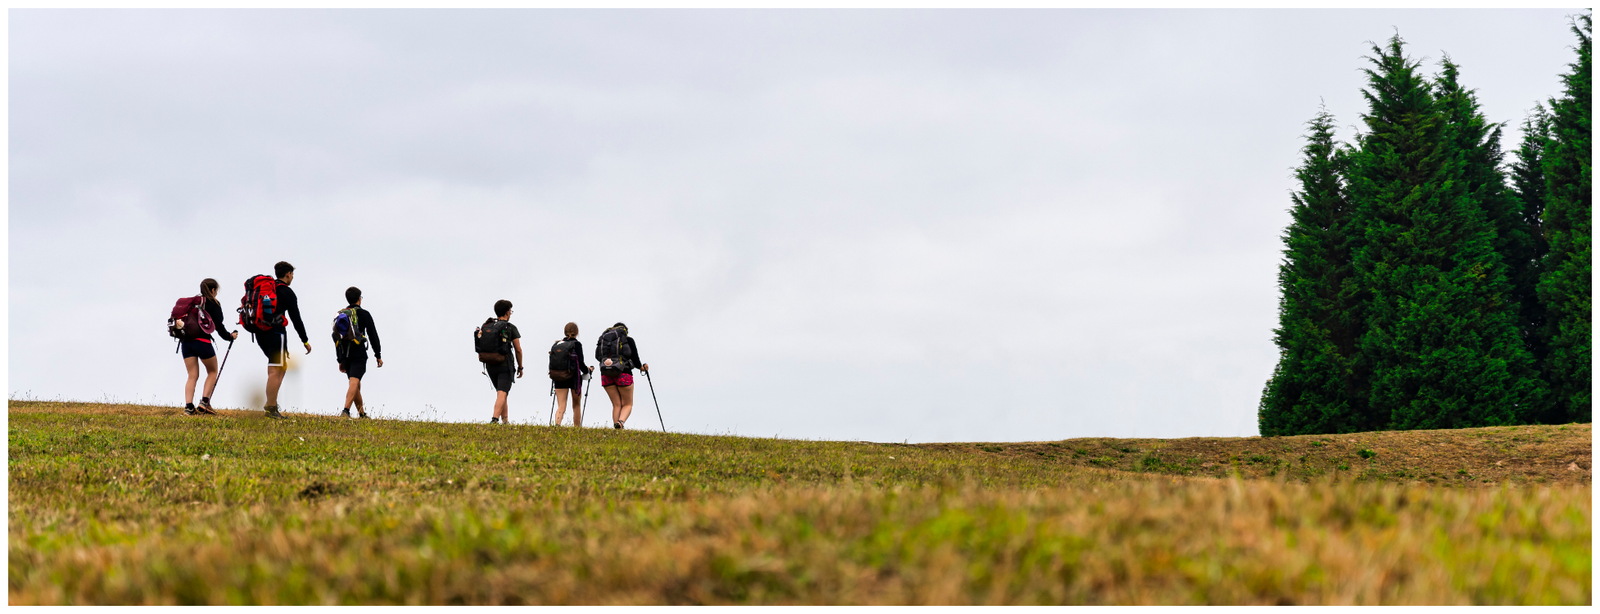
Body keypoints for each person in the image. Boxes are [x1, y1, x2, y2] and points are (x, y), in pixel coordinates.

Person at [180, 278, 238, 416]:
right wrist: (230, 336)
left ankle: (188, 407)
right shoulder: (213, 304)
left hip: (186, 342)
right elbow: (218, 326)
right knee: (212, 372)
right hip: (202, 342)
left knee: (192, 375)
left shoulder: (192, 303)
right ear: (212, 290)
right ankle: (204, 403)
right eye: (216, 290)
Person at [259, 261, 310, 419]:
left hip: (260, 333)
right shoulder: (286, 292)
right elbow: (296, 318)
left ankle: (271, 403)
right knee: (275, 370)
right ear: (287, 273)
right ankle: (271, 408)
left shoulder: (268, 289)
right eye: (292, 274)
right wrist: (305, 340)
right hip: (276, 333)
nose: (292, 277)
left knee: (280, 367)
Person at [334, 286, 383, 419]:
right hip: (358, 352)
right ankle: (346, 411)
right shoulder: (363, 314)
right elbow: (373, 335)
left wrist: (340, 359)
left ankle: (362, 414)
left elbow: (336, 336)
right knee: (354, 381)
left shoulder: (341, 314)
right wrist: (378, 355)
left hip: (344, 353)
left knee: (355, 382)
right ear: (359, 299)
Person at [596, 323, 649, 430]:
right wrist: (642, 368)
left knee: (616, 404)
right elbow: (636, 361)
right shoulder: (628, 341)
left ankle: (617, 429)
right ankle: (620, 423)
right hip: (624, 374)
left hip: (606, 375)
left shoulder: (605, 342)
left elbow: (598, 357)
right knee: (627, 404)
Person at [480, 300, 524, 424]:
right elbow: (518, 350)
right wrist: (520, 367)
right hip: (504, 365)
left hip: (490, 365)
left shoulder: (487, 326)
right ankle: (495, 419)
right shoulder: (510, 328)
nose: (510, 313)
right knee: (502, 392)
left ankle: (505, 421)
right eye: (510, 311)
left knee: (502, 393)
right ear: (507, 312)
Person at [549, 322, 591, 427]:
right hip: (574, 377)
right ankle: (577, 428)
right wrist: (588, 371)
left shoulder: (557, 344)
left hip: (559, 376)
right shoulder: (577, 344)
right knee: (576, 405)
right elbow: (580, 363)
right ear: (577, 333)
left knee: (561, 405)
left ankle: (557, 425)